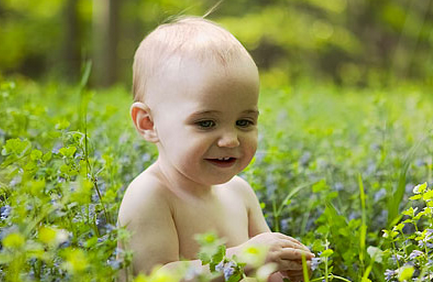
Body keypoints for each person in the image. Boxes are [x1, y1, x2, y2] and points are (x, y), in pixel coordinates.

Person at [117, 16, 314, 282]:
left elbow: (263, 271)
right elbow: (155, 277)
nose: (230, 140)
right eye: (206, 123)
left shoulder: (240, 193)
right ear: (149, 123)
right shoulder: (150, 195)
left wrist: (286, 271)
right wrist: (245, 257)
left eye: (244, 122)